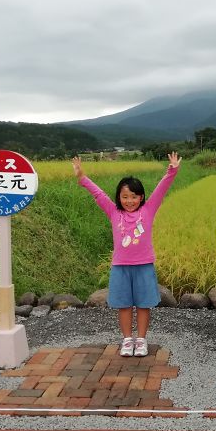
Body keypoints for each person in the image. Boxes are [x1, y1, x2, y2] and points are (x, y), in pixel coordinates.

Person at [72, 152, 181, 357]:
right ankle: (127, 340)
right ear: (119, 198)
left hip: (144, 266)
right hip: (121, 266)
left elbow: (161, 189)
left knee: (143, 304)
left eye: (133, 196)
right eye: (125, 197)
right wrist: (82, 177)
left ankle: (141, 340)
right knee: (123, 305)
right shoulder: (114, 213)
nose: (129, 201)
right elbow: (99, 195)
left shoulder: (148, 210)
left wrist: (172, 170)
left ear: (141, 197)